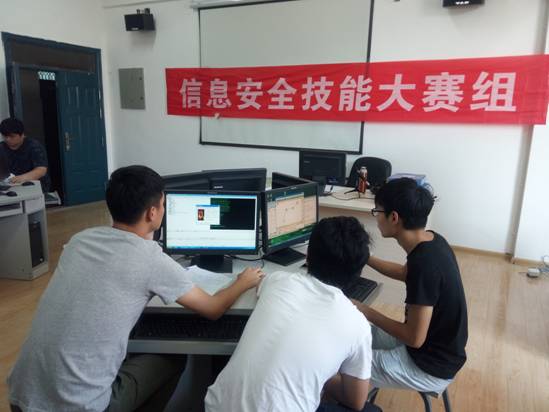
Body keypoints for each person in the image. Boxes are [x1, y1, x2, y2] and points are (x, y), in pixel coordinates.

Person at [7, 165, 264, 412]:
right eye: (163, 204)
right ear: (152, 213)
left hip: (20, 397)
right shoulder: (150, 259)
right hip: (82, 407)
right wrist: (243, 281)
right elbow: (213, 309)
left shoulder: (79, 241)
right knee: (174, 356)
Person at [205, 216, 378, 412]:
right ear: (358, 271)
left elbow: (261, 286)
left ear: (308, 256)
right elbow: (355, 401)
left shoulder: (277, 280)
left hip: (215, 406)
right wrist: (320, 371)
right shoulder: (358, 325)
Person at [353, 178, 468, 394]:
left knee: (346, 360)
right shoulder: (433, 241)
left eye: (377, 211)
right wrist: (366, 257)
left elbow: (414, 338)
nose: (376, 217)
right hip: (435, 350)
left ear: (394, 217)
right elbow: (405, 273)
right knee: (357, 332)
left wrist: (364, 309)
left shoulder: (426, 264)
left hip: (429, 366)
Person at [0, 118, 51, 192]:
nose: (7, 139)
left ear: (22, 135)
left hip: (35, 186)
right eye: (5, 136)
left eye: (12, 136)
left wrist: (21, 178)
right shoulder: (2, 147)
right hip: (11, 186)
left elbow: (41, 170)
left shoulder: (34, 146)